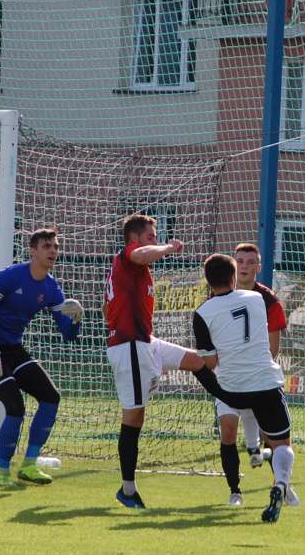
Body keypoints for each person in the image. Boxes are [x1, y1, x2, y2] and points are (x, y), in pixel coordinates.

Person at [103, 214, 206, 509]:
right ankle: (128, 490)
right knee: (134, 417)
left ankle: (234, 401)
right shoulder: (129, 256)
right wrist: (168, 248)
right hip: (130, 347)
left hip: (145, 342)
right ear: (135, 239)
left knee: (199, 361)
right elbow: (141, 253)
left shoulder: (133, 270)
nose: (154, 240)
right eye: (151, 236)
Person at [0, 228, 82, 487]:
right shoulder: (9, 277)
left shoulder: (52, 288)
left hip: (13, 349)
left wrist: (76, 320)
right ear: (33, 251)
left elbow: (67, 334)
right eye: (46, 246)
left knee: (51, 397)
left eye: (55, 246)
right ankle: (2, 475)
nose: (53, 250)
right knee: (16, 407)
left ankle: (29, 465)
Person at [193, 253, 296, 523]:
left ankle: (253, 456)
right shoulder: (257, 299)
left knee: (229, 421)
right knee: (282, 444)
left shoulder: (201, 313)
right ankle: (280, 484)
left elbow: (211, 361)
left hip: (231, 388)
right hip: (264, 381)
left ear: (207, 281)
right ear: (233, 276)